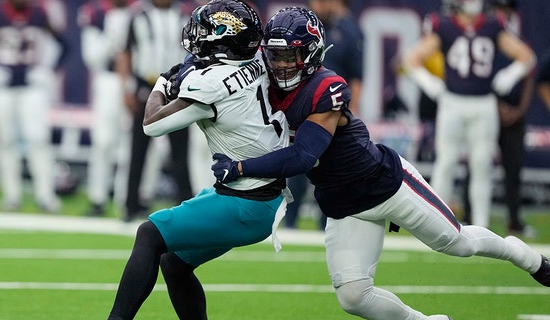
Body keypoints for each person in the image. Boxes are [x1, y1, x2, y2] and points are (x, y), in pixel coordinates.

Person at [212, 7, 550, 319]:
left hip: (386, 185)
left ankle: (525, 257)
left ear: (311, 52)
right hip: (343, 203)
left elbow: (303, 156)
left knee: (459, 243)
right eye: (276, 56)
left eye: (292, 55)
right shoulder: (262, 85)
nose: (283, 64)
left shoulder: (326, 87)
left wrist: (241, 168)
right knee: (354, 297)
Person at [107, 0, 290, 318]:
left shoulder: (211, 84)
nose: (197, 38)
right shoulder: (260, 60)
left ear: (224, 38)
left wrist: (164, 83)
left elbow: (152, 124)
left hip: (245, 201)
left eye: (205, 31)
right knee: (174, 262)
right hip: (261, 193)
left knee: (150, 234)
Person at [403, 0, 536, 229]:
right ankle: (434, 224)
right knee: (446, 163)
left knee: (482, 165)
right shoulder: (444, 25)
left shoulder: (493, 25)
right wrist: (427, 81)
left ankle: (480, 226)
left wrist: (512, 73)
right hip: (452, 102)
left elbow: (527, 56)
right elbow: (411, 58)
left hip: (483, 103)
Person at [0, 0, 66, 212]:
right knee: (5, 140)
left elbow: (64, 44)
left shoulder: (41, 12)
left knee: (38, 139)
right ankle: (11, 195)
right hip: (2, 85)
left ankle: (45, 195)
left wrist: (49, 69)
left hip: (32, 86)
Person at [283, 0, 364, 230]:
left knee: (331, 170)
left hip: (332, 112)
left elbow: (357, 75)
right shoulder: (299, 25)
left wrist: (353, 110)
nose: (319, 4)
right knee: (298, 169)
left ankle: (326, 223)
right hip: (301, 109)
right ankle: (290, 224)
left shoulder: (348, 30)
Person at [462, 0, 537, 236]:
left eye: (507, 10)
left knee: (513, 169)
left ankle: (514, 220)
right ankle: (468, 216)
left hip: (513, 116)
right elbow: (477, 78)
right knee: (476, 164)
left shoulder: (515, 40)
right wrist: (494, 106)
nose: (503, 14)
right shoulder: (486, 38)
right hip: (486, 111)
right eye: (500, 10)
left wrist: (519, 110)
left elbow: (529, 76)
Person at [118, 0, 195, 222]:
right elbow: (125, 52)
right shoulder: (138, 15)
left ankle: (185, 204)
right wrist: (126, 88)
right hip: (146, 85)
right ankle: (130, 205)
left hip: (177, 87)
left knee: (181, 151)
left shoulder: (185, 16)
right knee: (138, 149)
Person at [78, 0, 132, 217]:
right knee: (103, 142)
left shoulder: (140, 12)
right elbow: (92, 58)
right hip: (108, 80)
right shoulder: (96, 13)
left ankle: (128, 199)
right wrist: (112, 37)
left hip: (135, 82)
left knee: (133, 146)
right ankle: (97, 198)